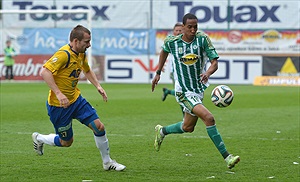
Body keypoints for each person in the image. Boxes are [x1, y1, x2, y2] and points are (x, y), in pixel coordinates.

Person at [151, 13, 240, 169]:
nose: (193, 30)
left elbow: (214, 63)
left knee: (188, 127)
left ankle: (162, 131)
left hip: (198, 90)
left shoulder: (202, 40)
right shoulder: (172, 42)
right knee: (209, 118)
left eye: (195, 27)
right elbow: (164, 51)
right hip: (183, 91)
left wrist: (207, 73)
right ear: (183, 27)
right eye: (189, 27)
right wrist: (158, 72)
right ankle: (228, 157)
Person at [32, 25, 126, 171]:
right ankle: (39, 138)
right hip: (59, 106)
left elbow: (87, 70)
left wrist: (98, 86)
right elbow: (44, 71)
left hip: (76, 100)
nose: (89, 45)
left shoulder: (81, 54)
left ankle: (107, 162)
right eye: (86, 42)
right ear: (76, 41)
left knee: (99, 127)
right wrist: (58, 93)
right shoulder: (64, 54)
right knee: (66, 142)